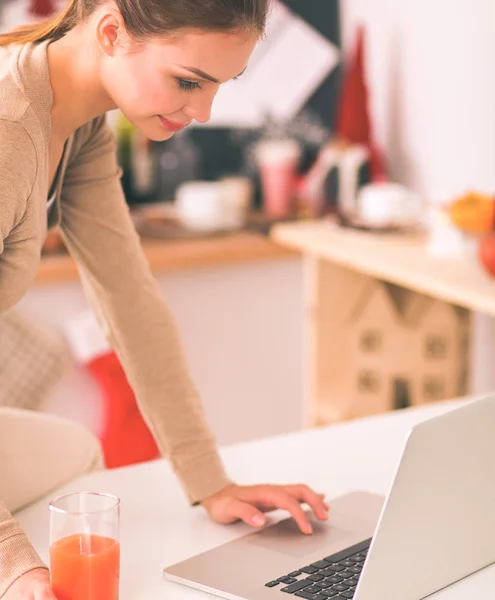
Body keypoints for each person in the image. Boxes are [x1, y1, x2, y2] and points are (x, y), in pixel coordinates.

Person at [0, 0, 330, 596]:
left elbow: (129, 299)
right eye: (187, 81)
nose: (203, 112)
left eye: (219, 87)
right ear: (111, 31)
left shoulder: (80, 124)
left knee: (75, 455)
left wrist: (210, 481)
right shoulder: (7, 125)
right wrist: (12, 561)